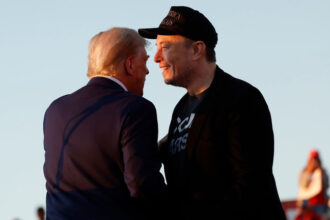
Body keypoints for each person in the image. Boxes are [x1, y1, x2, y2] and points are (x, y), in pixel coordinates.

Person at [139, 6, 286, 219]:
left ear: (197, 50)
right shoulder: (180, 110)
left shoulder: (242, 98)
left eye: (166, 46)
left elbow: (250, 186)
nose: (156, 57)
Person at [43, 27, 167, 220]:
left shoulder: (55, 110)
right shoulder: (136, 109)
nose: (148, 70)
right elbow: (141, 184)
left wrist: (150, 152)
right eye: (144, 60)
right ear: (130, 64)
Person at [297, 149, 329, 219]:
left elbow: (326, 186)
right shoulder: (304, 172)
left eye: (316, 159)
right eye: (313, 159)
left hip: (320, 202)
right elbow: (303, 184)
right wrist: (310, 172)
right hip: (307, 203)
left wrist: (319, 176)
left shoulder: (322, 172)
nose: (314, 161)